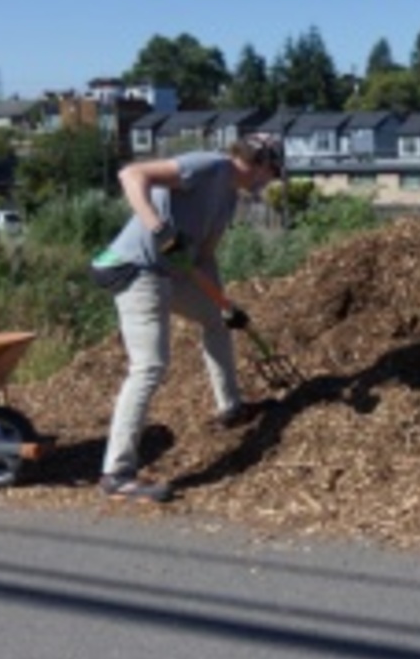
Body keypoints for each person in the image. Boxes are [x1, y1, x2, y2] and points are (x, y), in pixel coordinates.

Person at [89, 135, 282, 503]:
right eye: (272, 173)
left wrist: (223, 303)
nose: (269, 182)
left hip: (170, 274)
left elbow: (202, 260)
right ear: (260, 164)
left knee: (215, 321)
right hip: (137, 269)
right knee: (150, 367)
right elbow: (131, 175)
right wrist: (158, 228)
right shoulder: (207, 166)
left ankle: (231, 408)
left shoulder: (227, 197)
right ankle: (117, 472)